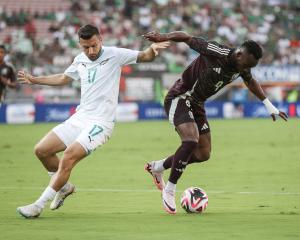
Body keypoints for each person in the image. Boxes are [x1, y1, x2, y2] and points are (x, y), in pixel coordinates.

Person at [16, 24, 170, 218]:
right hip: (80, 117)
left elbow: (145, 56)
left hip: (101, 123)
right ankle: (64, 187)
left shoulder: (115, 54)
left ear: (101, 40)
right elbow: (64, 78)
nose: (90, 51)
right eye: (85, 47)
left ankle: (38, 205)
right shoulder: (80, 59)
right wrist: (35, 80)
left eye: (94, 46)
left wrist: (152, 50)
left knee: (68, 157)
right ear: (80, 45)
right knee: (42, 150)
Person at [143, 31, 288, 214]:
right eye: (247, 64)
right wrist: (164, 36)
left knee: (203, 153)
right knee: (190, 141)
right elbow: (187, 37)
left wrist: (268, 105)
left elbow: (250, 81)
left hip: (197, 104)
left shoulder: (243, 65)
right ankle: (169, 190)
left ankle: (158, 167)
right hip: (180, 97)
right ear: (240, 54)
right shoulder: (217, 51)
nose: (246, 69)